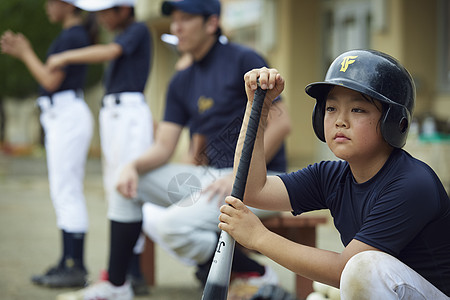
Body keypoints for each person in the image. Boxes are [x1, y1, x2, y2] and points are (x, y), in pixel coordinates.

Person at [219, 50, 450, 299]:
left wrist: (259, 237)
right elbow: (253, 190)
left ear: (395, 122)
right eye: (331, 108)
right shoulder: (332, 175)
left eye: (358, 109)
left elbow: (345, 269)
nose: (340, 120)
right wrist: (258, 109)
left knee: (364, 268)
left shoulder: (413, 183)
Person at [46, 0, 153, 298]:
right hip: (114, 114)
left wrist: (63, 57)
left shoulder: (138, 29)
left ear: (125, 9)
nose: (103, 17)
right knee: (115, 188)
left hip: (129, 113)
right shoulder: (122, 33)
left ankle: (132, 270)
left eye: (108, 11)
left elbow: (110, 52)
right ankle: (121, 270)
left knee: (130, 188)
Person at [0, 0, 96, 288]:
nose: (46, 6)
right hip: (62, 115)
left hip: (67, 115)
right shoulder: (72, 34)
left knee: (67, 191)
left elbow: (49, 80)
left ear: (69, 5)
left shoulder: (74, 35)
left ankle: (74, 265)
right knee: (62, 191)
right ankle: (67, 260)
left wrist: (25, 52)